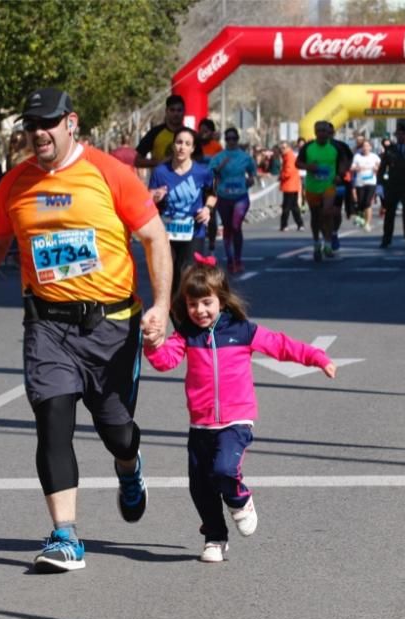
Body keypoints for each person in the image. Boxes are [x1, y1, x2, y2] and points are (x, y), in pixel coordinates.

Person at [0, 87, 172, 573]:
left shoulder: (109, 173)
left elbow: (154, 236)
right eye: (30, 125)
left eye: (47, 123)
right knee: (53, 419)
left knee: (117, 430)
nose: (38, 133)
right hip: (47, 324)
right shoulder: (16, 183)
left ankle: (128, 466)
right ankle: (65, 536)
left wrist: (160, 306)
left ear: (70, 122)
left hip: (112, 325)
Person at [143, 255, 336, 562]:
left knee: (224, 470)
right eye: (192, 305)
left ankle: (240, 499)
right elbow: (165, 362)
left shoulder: (242, 330)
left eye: (206, 302)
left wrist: (317, 357)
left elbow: (282, 345)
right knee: (200, 487)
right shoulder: (187, 335)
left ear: (221, 300)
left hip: (236, 421)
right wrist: (152, 344)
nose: (199, 311)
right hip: (201, 424)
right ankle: (215, 539)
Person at [149, 128, 216, 291]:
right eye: (179, 142)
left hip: (193, 231)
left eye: (187, 144)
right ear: (173, 145)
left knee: (188, 276)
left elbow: (212, 195)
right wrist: (155, 196)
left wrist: (207, 209)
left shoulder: (202, 172)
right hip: (166, 232)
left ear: (192, 148)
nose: (182, 147)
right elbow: (148, 196)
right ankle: (171, 310)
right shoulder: (160, 172)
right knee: (168, 276)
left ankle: (185, 313)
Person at [297, 121, 346, 262]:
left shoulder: (335, 147)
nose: (323, 133)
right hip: (313, 187)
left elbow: (343, 163)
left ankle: (328, 244)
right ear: (315, 132)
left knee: (327, 212)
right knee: (315, 217)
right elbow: (297, 163)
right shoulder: (308, 147)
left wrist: (339, 175)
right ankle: (316, 242)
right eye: (320, 131)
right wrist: (308, 167)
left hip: (328, 186)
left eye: (325, 131)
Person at [210, 128, 256, 272]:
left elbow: (252, 173)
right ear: (225, 140)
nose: (231, 141)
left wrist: (251, 180)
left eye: (233, 138)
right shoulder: (218, 157)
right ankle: (230, 260)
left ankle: (238, 259)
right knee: (228, 227)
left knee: (236, 226)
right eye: (228, 138)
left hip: (240, 196)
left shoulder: (245, 157)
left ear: (237, 139)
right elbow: (210, 173)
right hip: (224, 196)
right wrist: (220, 167)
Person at [377, 124, 405, 249]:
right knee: (389, 213)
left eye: (403, 134)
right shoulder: (390, 150)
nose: (400, 136)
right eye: (398, 134)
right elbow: (382, 169)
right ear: (396, 135)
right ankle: (386, 239)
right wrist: (379, 184)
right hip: (392, 185)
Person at [134, 94, 186, 169]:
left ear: (184, 111)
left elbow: (199, 159)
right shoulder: (155, 133)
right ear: (166, 111)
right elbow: (137, 160)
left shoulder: (190, 135)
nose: (176, 114)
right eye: (172, 110)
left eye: (179, 110)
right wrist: (159, 163)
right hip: (159, 180)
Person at [351, 140, 380, 232]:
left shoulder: (374, 157)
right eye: (364, 146)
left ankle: (367, 223)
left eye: (367, 146)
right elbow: (351, 167)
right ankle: (361, 217)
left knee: (368, 202)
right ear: (361, 148)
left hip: (371, 182)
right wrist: (357, 168)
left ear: (370, 147)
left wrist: (377, 168)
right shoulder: (357, 156)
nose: (366, 148)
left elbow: (381, 166)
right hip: (360, 182)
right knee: (361, 202)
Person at [278, 141, 304, 232]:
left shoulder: (289, 157)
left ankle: (284, 225)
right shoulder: (289, 156)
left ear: (289, 148)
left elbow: (288, 171)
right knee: (294, 206)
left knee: (286, 207)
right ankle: (300, 224)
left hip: (289, 186)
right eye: (281, 148)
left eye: (284, 148)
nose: (282, 150)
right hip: (292, 185)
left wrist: (281, 176)